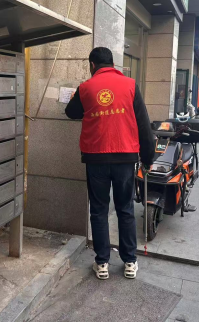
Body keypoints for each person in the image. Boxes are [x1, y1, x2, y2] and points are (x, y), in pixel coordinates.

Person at [65, 47, 155, 281]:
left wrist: (79, 97)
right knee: (125, 208)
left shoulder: (85, 88)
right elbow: (144, 125)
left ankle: (102, 262)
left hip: (96, 159)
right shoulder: (131, 85)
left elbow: (71, 112)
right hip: (125, 158)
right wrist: (148, 158)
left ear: (92, 65)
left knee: (99, 209)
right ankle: (130, 262)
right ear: (113, 64)